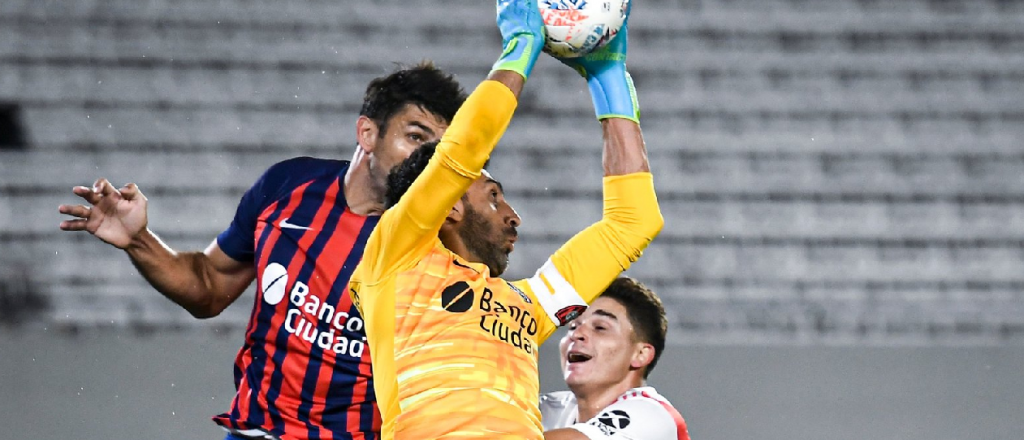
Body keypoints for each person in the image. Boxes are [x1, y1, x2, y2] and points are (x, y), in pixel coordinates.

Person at [57, 62, 467, 440]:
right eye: (416, 137)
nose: (429, 160)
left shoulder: (436, 239)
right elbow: (209, 287)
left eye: (440, 149)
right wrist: (138, 240)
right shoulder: (288, 187)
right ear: (368, 133)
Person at [346, 1, 662, 438]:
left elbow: (634, 223)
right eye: (494, 197)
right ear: (451, 205)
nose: (514, 217)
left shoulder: (526, 308)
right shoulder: (395, 257)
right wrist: (519, 50)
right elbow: (462, 153)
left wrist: (610, 84)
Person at [540, 277, 691, 440]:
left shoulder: (653, 416)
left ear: (641, 354)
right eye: (573, 326)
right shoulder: (546, 409)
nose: (576, 334)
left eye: (600, 328)